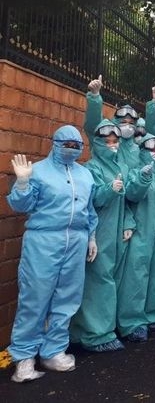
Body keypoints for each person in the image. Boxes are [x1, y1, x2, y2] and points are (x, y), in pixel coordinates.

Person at [6, 126, 98, 383]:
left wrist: (91, 236)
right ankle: (24, 357)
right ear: (54, 144)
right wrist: (22, 182)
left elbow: (89, 210)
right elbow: (21, 205)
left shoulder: (85, 175)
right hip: (43, 239)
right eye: (66, 144)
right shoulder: (38, 171)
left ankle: (53, 351)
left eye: (76, 145)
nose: (71, 148)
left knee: (67, 297)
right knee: (34, 296)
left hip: (76, 240)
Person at [70, 120, 149, 351]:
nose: (113, 145)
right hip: (101, 229)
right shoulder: (91, 168)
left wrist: (142, 181)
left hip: (117, 231)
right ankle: (95, 335)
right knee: (99, 280)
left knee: (114, 278)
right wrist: (109, 190)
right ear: (97, 143)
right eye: (107, 142)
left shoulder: (121, 167)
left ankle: (108, 327)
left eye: (115, 142)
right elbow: (91, 201)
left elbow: (128, 200)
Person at [117, 136, 155, 341]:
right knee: (136, 277)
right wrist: (143, 178)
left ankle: (151, 315)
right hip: (141, 234)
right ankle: (132, 323)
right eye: (152, 149)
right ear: (143, 151)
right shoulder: (136, 173)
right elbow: (132, 196)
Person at [85, 75, 141, 168]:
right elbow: (93, 124)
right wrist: (95, 96)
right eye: (123, 122)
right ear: (116, 122)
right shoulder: (103, 137)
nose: (127, 126)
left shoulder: (136, 149)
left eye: (131, 123)